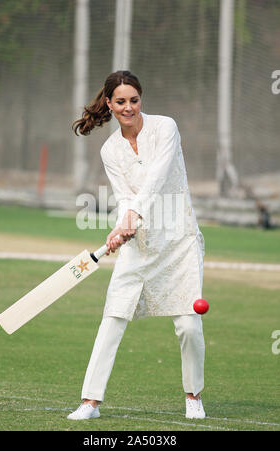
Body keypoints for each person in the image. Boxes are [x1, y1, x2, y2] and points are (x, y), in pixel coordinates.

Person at [67, 70, 206, 421]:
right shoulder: (110, 149)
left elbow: (158, 177)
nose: (128, 107)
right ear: (110, 105)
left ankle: (193, 395)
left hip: (180, 240)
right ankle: (90, 402)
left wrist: (133, 215)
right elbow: (125, 198)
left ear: (141, 99)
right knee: (113, 317)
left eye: (134, 100)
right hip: (139, 246)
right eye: (121, 102)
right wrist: (121, 227)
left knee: (188, 325)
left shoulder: (166, 128)